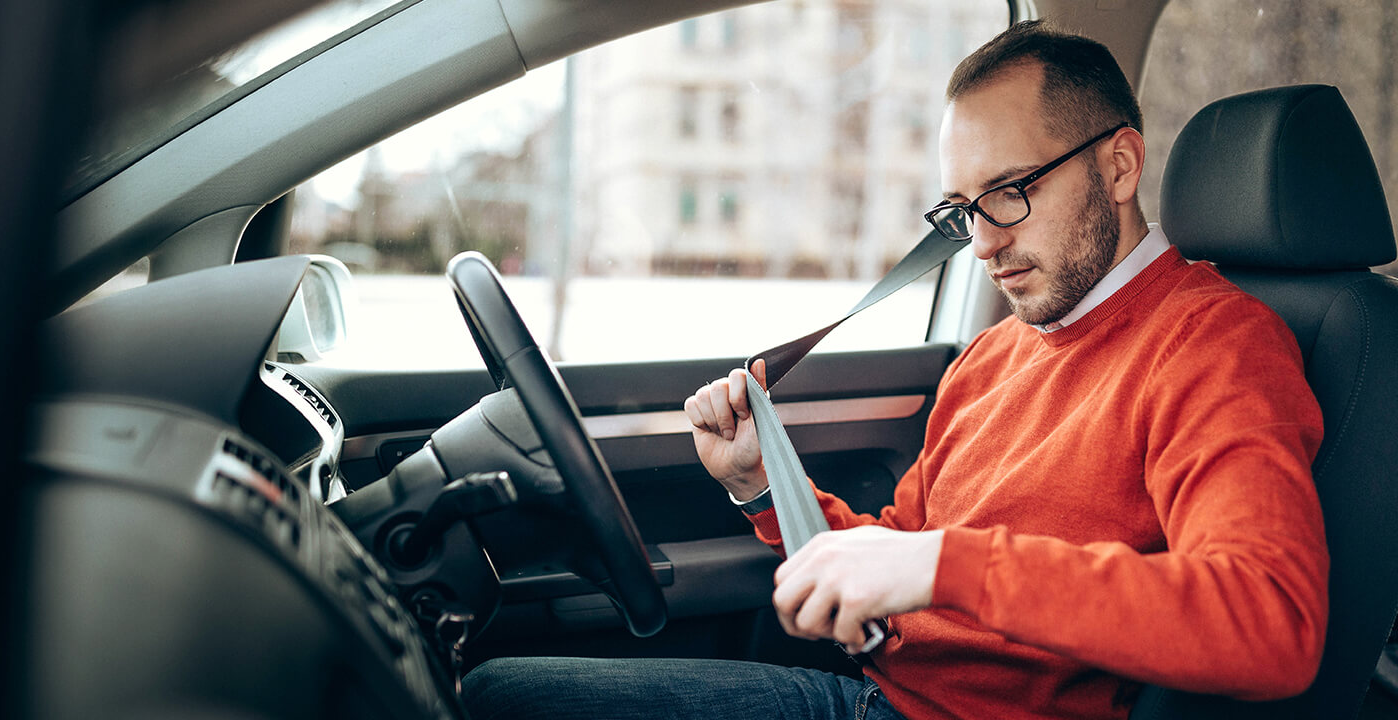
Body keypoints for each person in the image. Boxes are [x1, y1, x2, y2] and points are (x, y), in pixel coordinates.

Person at [462, 19, 1327, 720]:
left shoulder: (1213, 345)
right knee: (494, 695)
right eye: (961, 209)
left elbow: (1267, 621)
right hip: (874, 697)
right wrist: (765, 489)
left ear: (1119, 166)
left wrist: (947, 565)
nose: (983, 242)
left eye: (1010, 190)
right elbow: (895, 557)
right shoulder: (995, 355)